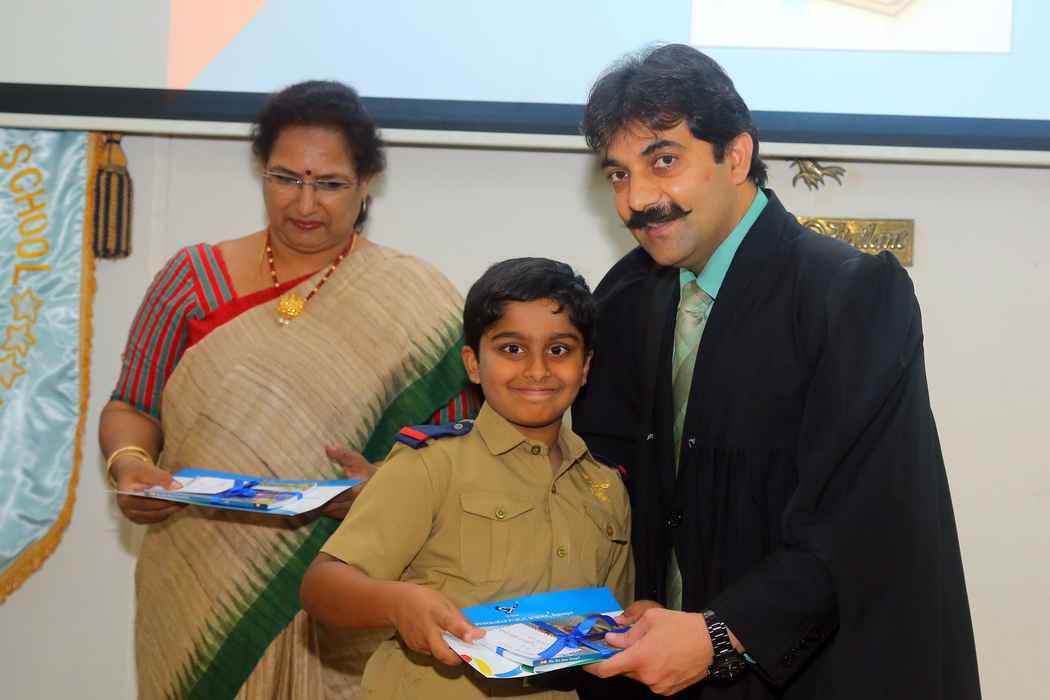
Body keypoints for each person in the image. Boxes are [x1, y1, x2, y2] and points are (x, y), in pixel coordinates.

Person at [571, 44, 981, 699]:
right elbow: (602, 480)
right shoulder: (627, 297)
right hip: (663, 675)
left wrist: (720, 635)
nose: (638, 199)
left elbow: (864, 521)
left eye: (664, 161)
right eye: (618, 174)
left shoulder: (848, 296)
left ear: (735, 156)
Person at [100, 80, 479, 699]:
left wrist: (386, 488)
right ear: (261, 172)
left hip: (346, 584)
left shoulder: (419, 304)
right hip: (194, 586)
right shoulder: (192, 280)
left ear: (365, 184)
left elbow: (463, 445)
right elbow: (132, 404)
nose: (305, 203)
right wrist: (130, 462)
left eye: (329, 183)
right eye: (285, 179)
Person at [300, 258, 634, 699]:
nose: (537, 370)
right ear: (473, 363)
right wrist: (397, 603)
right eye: (512, 349)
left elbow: (609, 621)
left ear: (585, 366)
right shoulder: (431, 465)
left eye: (559, 350)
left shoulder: (605, 486)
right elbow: (321, 586)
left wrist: (636, 623)